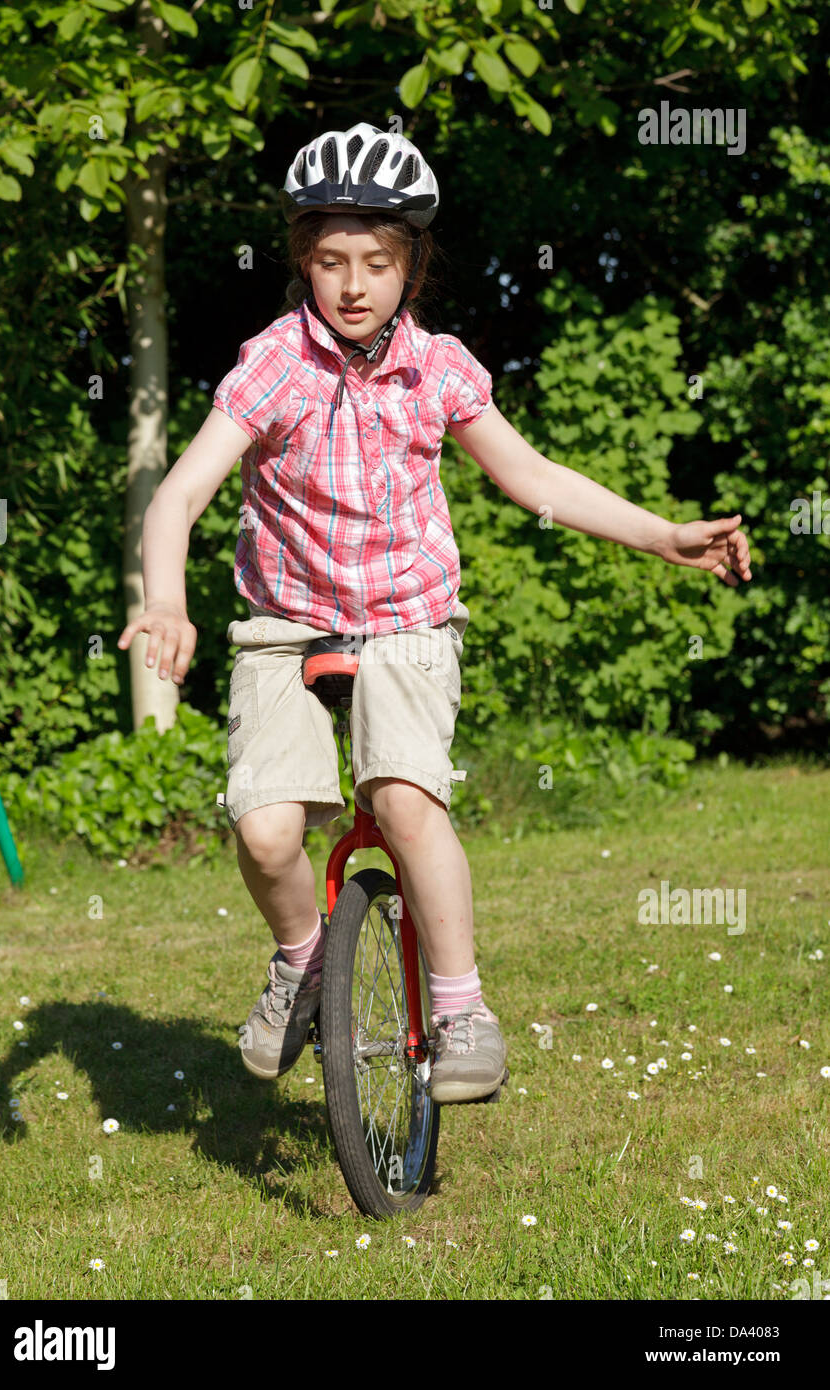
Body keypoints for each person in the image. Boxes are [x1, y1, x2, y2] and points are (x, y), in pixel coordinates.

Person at [118, 122, 752, 1105]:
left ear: (411, 265)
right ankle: (298, 960)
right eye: (330, 261)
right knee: (267, 832)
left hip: (408, 621)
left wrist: (663, 534)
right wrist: (166, 597)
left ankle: (459, 1006)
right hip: (283, 629)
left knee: (408, 801)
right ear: (302, 262)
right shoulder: (274, 364)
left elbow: (530, 476)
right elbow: (178, 494)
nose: (353, 283)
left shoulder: (438, 367)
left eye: (377, 261)